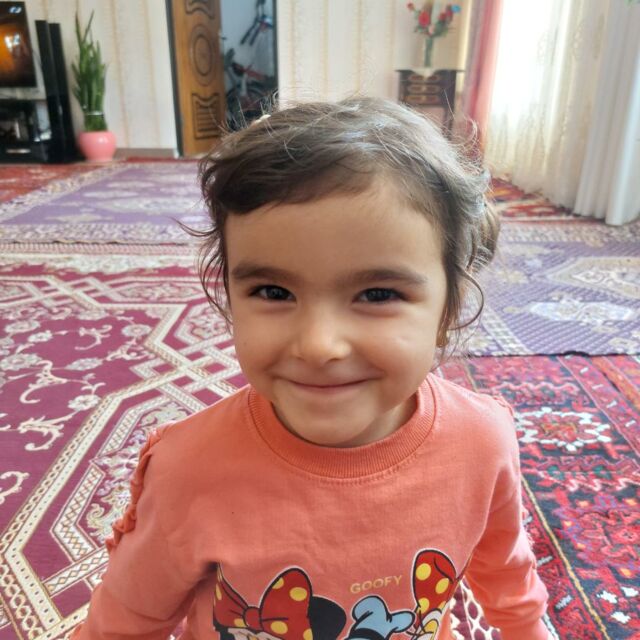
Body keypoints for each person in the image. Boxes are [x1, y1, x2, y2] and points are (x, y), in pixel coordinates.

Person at [73, 97, 550, 640]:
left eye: (377, 294)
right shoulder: (188, 469)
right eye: (274, 292)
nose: (319, 346)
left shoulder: (482, 441)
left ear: (448, 309)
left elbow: (507, 573)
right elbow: (127, 619)